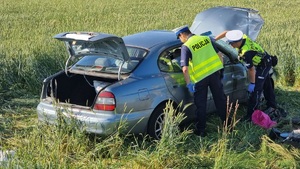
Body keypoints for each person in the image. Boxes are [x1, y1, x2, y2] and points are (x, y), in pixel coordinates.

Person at [173, 25, 228, 137]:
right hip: (214, 75)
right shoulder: (206, 39)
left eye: (179, 38)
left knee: (201, 105)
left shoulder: (186, 46)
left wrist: (189, 84)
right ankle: (228, 125)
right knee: (220, 100)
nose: (180, 40)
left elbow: (184, 69)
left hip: (200, 79)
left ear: (182, 35)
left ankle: (201, 130)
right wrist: (221, 70)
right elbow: (220, 55)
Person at [215, 30, 277, 122]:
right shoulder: (242, 36)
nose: (231, 45)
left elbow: (251, 69)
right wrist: (214, 39)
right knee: (266, 84)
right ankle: (272, 105)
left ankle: (251, 115)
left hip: (263, 64)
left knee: (256, 90)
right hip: (263, 59)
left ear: (238, 42)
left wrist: (252, 83)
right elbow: (226, 32)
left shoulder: (246, 53)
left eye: (232, 43)